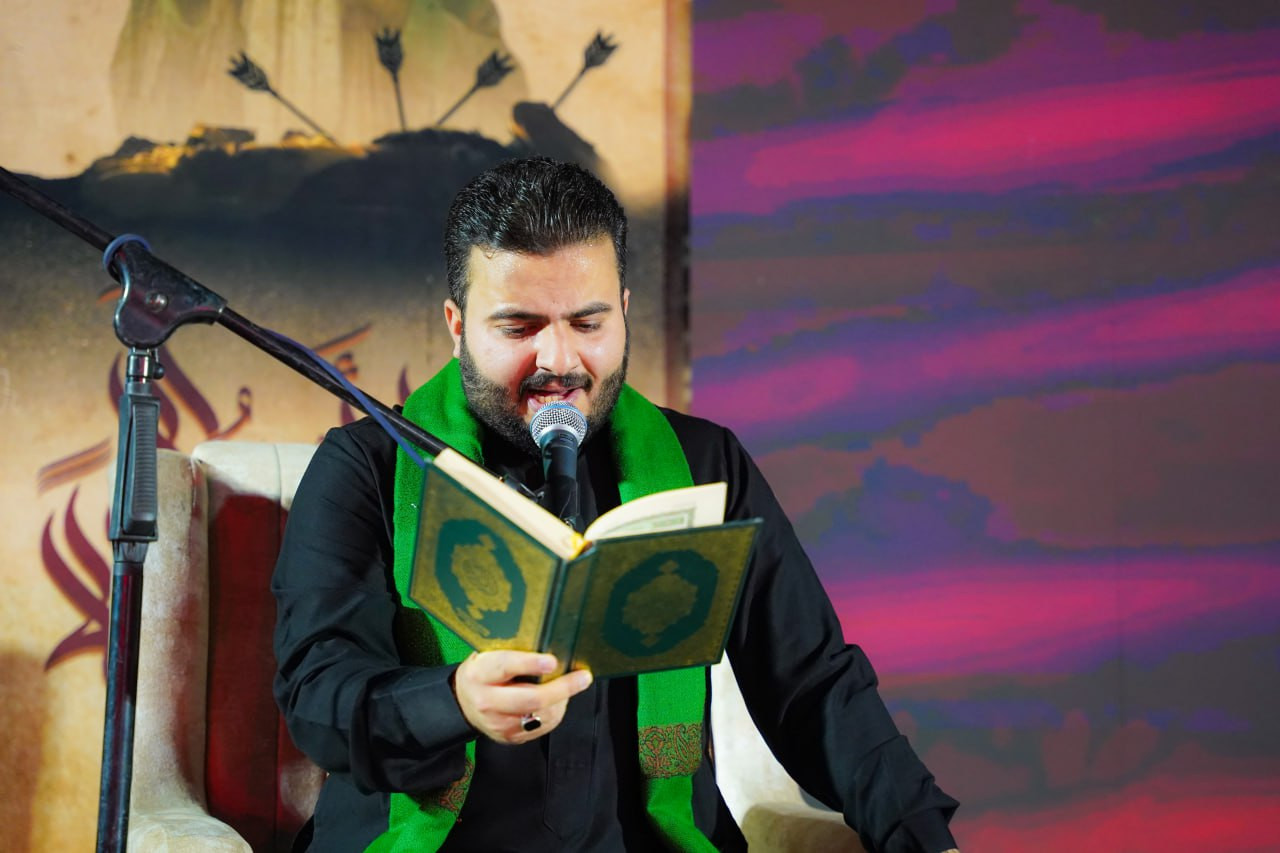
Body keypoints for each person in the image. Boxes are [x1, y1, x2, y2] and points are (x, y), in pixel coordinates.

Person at [273, 157, 960, 852]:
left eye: (587, 322)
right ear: (457, 325)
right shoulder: (367, 467)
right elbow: (316, 693)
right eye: (519, 327)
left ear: (624, 311)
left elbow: (812, 686)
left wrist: (926, 839)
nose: (559, 361)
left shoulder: (703, 465)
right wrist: (452, 700)